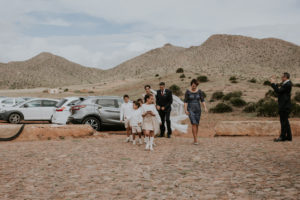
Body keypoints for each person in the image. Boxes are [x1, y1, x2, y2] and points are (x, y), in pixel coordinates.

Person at [184, 79, 208, 145]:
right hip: (190, 109)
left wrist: (205, 107)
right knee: (193, 123)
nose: (193, 87)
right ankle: (195, 140)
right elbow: (185, 102)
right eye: (192, 86)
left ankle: (195, 137)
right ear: (191, 85)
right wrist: (185, 110)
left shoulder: (199, 91)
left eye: (195, 86)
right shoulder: (187, 92)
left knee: (197, 124)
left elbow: (202, 100)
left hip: (198, 109)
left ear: (197, 85)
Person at [270, 72, 293, 142]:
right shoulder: (286, 84)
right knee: (286, 121)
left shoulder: (288, 84)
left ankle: (282, 137)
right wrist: (274, 83)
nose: (281, 78)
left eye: (282, 77)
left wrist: (272, 84)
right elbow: (279, 89)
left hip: (284, 106)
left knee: (283, 122)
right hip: (284, 105)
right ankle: (289, 137)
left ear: (285, 77)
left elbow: (278, 91)